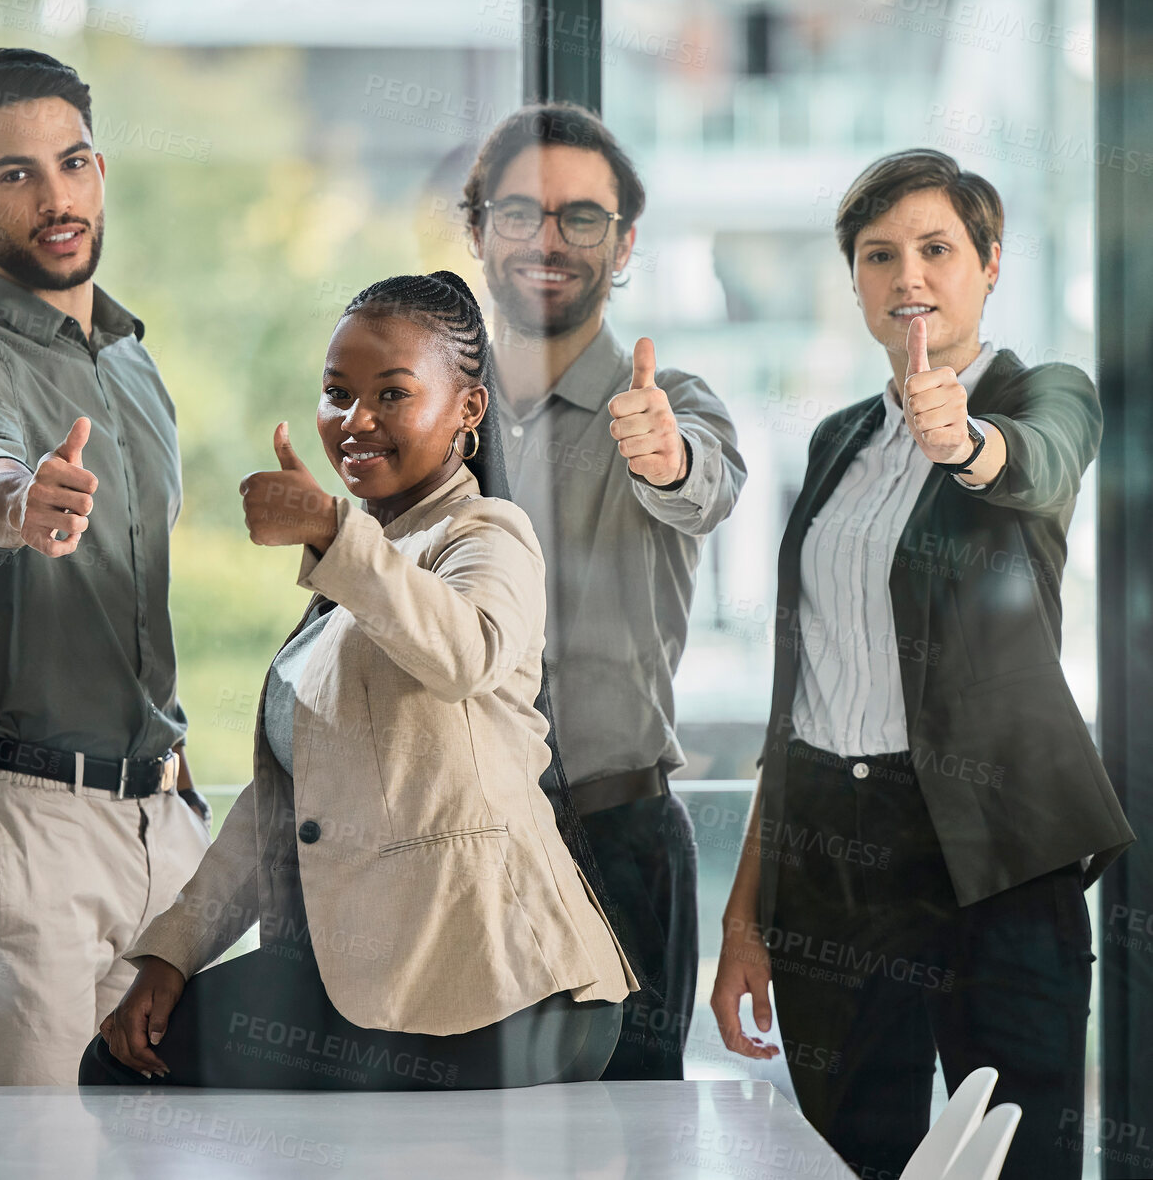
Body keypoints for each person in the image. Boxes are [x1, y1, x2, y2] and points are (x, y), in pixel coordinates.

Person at [78, 271, 638, 1090]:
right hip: (372, 981)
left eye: (391, 393)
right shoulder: (351, 576)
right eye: (336, 392)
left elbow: (465, 650)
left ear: (468, 410)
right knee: (123, 1063)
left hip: (507, 988)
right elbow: (279, 812)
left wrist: (330, 528)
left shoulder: (486, 534)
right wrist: (172, 949)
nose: (355, 420)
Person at [710, 148, 1134, 1180]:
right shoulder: (834, 439)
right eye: (877, 254)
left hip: (992, 852)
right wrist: (744, 917)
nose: (906, 275)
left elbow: (1038, 462)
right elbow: (800, 696)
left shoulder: (1044, 393)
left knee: (1018, 1154)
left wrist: (968, 442)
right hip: (828, 855)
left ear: (988, 264)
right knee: (845, 1153)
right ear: (852, 280)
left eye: (935, 248)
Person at [0, 48, 210, 1088]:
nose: (54, 195)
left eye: (71, 164)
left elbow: (129, 608)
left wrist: (178, 783)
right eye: (14, 174)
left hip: (161, 828)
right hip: (23, 830)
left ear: (100, 172)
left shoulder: (132, 362)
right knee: (17, 1158)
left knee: (162, 1153)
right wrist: (13, 500)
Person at [461, 103, 746, 1079]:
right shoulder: (432, 416)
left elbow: (701, 481)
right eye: (518, 213)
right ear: (478, 230)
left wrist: (662, 457)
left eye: (580, 217)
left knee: (628, 1142)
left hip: (615, 840)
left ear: (622, 244)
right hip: (453, 847)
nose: (547, 240)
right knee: (448, 1137)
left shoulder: (670, 403)